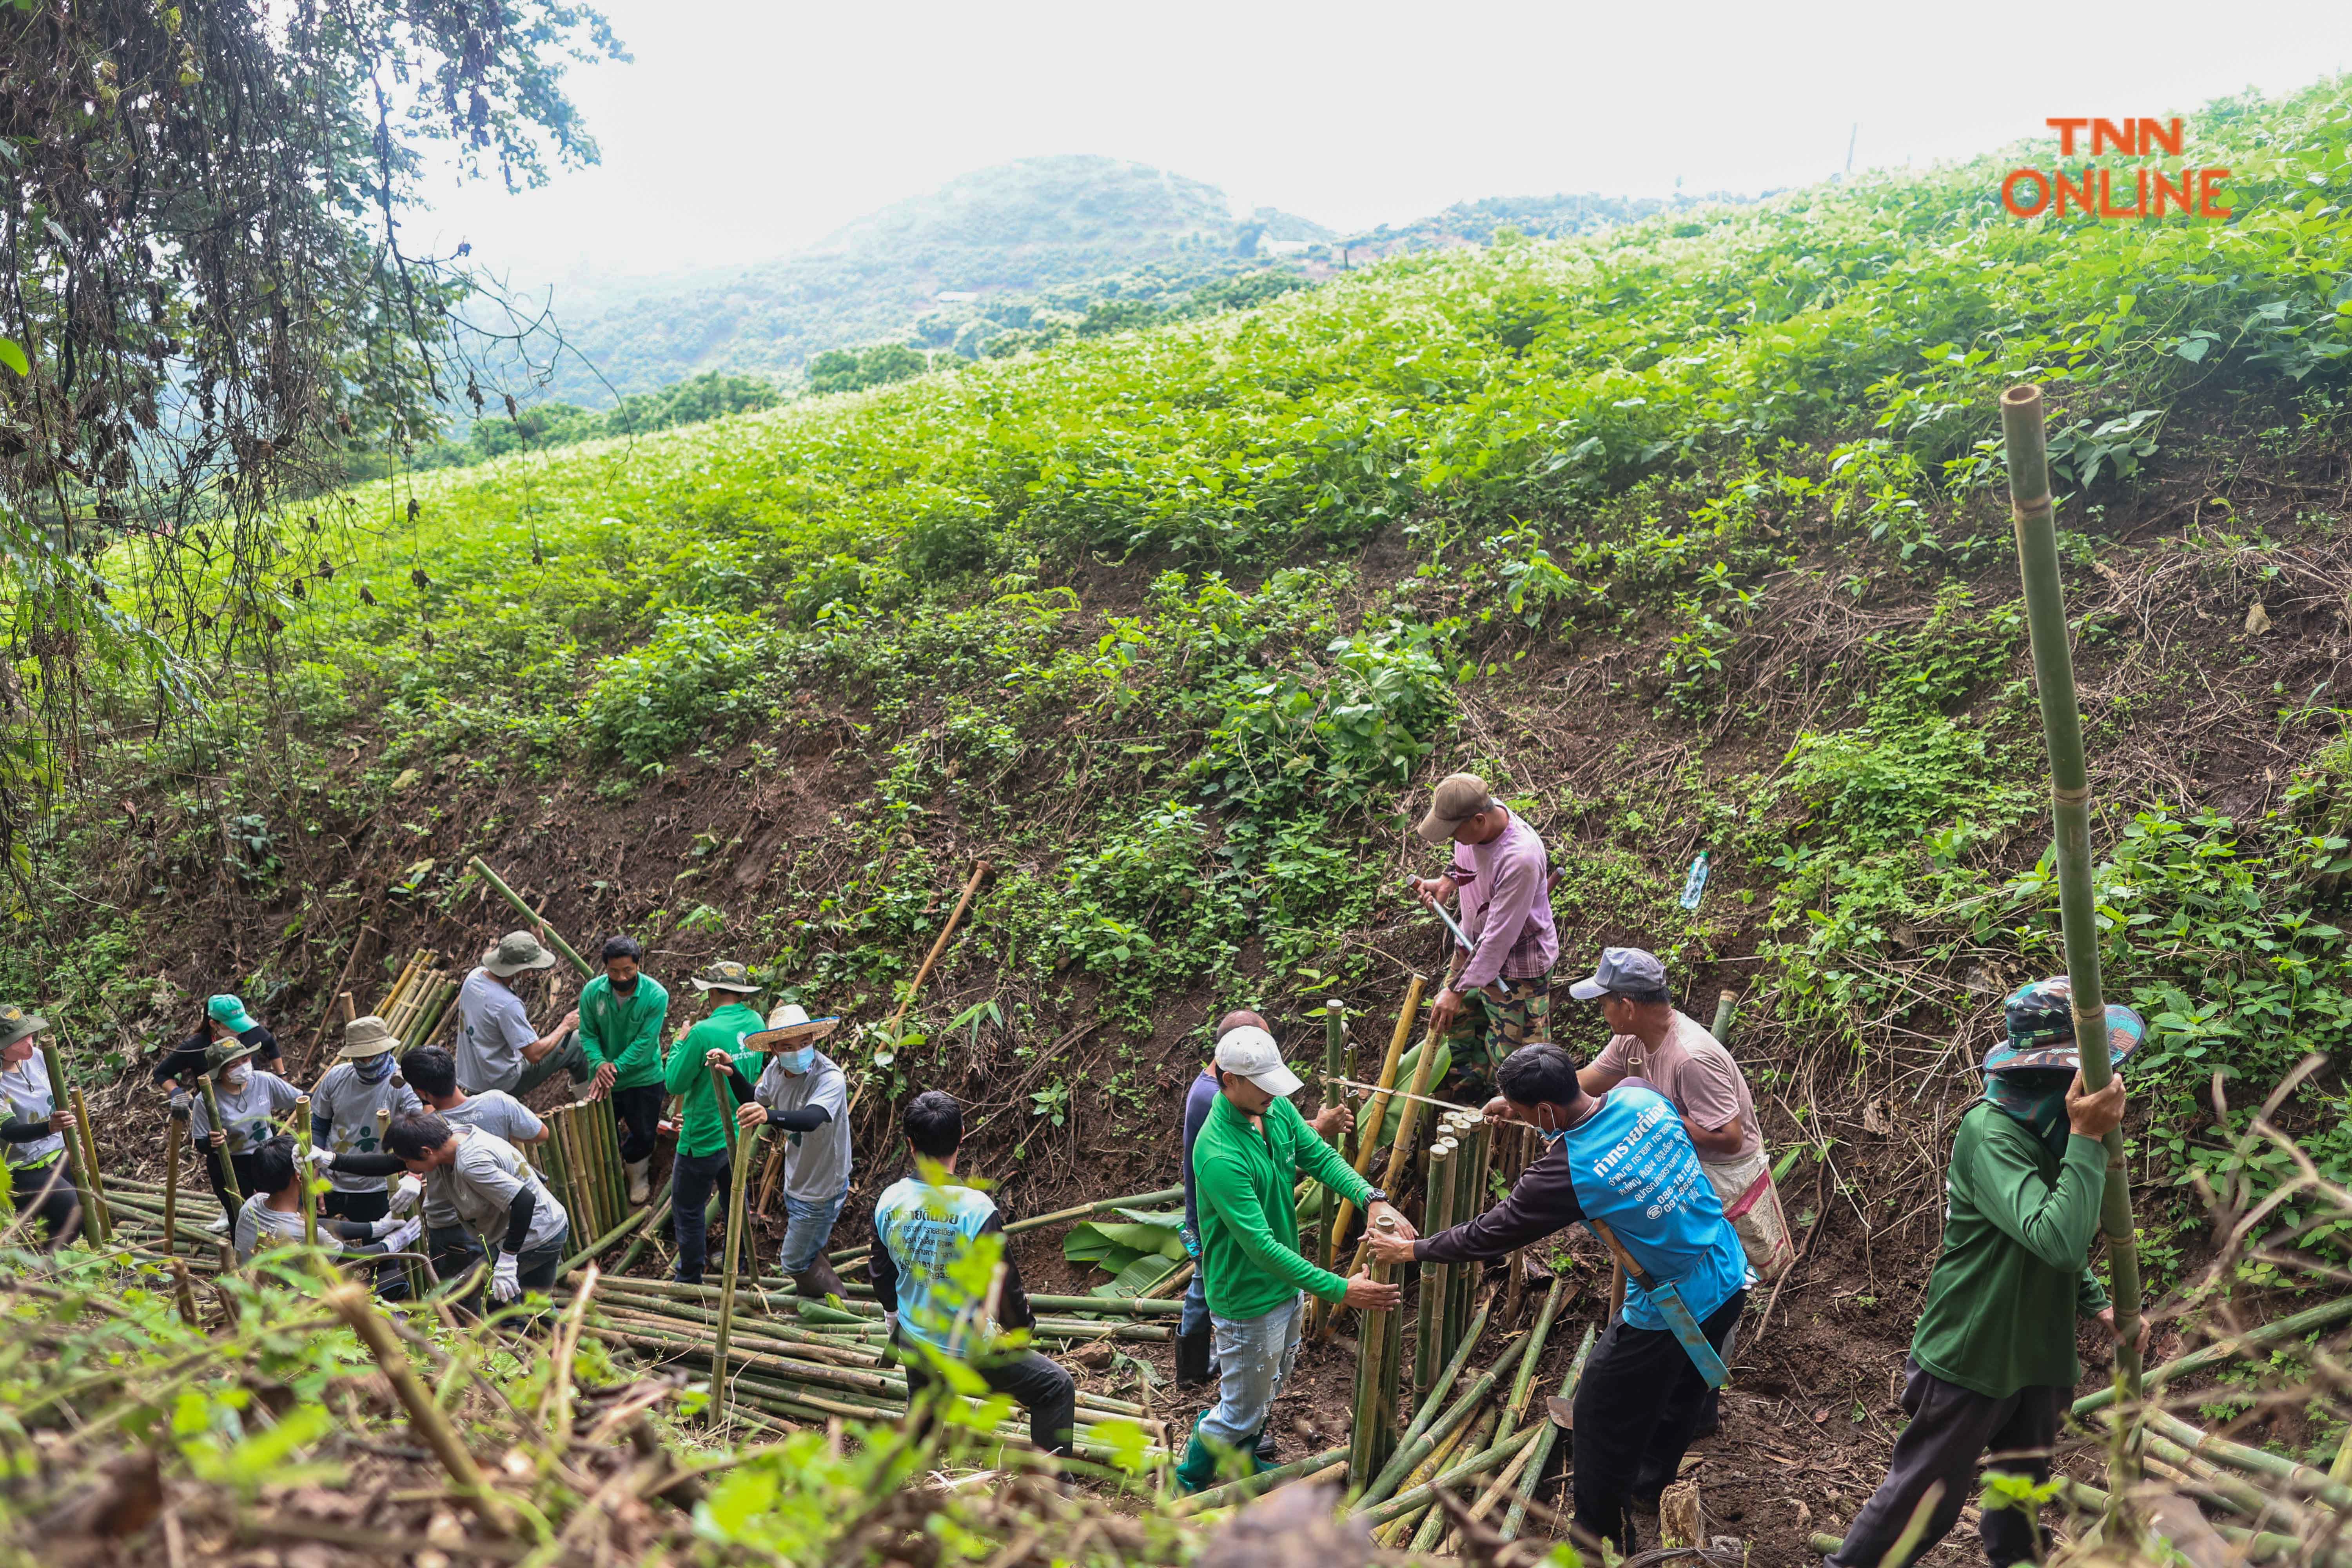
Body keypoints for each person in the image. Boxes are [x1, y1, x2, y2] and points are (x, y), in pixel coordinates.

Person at [1368, 1042, 1749, 1552]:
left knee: (1597, 1413)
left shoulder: (1569, 1171)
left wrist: (1412, 1249)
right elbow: (1590, 1109)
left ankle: (1600, 1540)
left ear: (1545, 1111)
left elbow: (1489, 1233)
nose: (1529, 1122)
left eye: (1530, 1114)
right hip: (1728, 1268)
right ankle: (1650, 1483)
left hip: (1672, 1304)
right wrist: (1523, 1108)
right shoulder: (1640, 1095)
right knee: (1685, 1388)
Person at [1826, 980, 2147, 1568]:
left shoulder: (2056, 1125)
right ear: (2060, 1072)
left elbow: (2055, 1238)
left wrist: (2096, 1303)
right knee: (1922, 1505)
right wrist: (2086, 1136)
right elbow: (2056, 1239)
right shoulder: (1993, 1133)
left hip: (2039, 1354)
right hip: (1975, 1351)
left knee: (2019, 1501)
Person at [1179, 1024, 1408, 1494]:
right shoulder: (1218, 1152)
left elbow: (1320, 1157)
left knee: (1270, 1386)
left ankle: (1241, 1464)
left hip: (1285, 1285)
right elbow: (1260, 1247)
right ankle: (1188, 1480)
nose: (1272, 1092)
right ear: (1229, 1082)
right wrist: (1344, 1289)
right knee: (1240, 1406)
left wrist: (1372, 1197)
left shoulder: (1275, 1109)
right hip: (1245, 1296)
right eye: (1261, 1083)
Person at [1573, 946, 1794, 1289]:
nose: (1602, 1011)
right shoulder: (1631, 1040)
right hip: (1688, 1157)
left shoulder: (1690, 1058)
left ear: (1627, 1007)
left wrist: (1656, 1113)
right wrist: (1526, 1096)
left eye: (1604, 1003)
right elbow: (1584, 1084)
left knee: (1721, 1275)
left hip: (1725, 1174)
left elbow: (1729, 1137)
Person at [873, 1090, 1076, 1458]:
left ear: (909, 1143)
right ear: (962, 1136)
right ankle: (1052, 1491)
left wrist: (893, 1314)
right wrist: (1020, 1332)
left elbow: (881, 1269)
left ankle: (913, 1469)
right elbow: (1002, 1287)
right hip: (966, 1348)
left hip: (915, 1335)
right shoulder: (974, 1208)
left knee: (925, 1390)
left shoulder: (890, 1199)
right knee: (1056, 1388)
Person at [1176, 1009, 1354, 1397]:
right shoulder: (1212, 1101)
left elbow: (1277, 1136)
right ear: (1233, 1077)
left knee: (1204, 1285)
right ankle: (1191, 1370)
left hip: (1234, 1216)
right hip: (1214, 1221)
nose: (1271, 1094)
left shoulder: (1252, 1100)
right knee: (1207, 1284)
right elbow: (1244, 1159)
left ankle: (1204, 1370)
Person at [1410, 772, 1559, 1077]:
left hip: (1518, 967)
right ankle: (1469, 1096)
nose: (1452, 839)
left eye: (1454, 832)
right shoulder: (1479, 825)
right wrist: (1447, 882)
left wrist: (1456, 989)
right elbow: (1470, 859)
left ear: (1479, 820)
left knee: (1519, 1060)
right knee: (1455, 1026)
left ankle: (1509, 1116)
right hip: (1471, 948)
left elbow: (1497, 941)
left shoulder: (1520, 859)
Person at [385, 1110, 571, 1308]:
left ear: (426, 1152)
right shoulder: (454, 1136)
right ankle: (560, 1338)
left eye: (407, 1162)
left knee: (459, 1296)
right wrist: (346, 1163)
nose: (407, 1167)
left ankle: (497, 1334)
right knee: (536, 1305)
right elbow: (390, 1164)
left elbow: (524, 1200)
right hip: (551, 1224)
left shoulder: (471, 1165)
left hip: (535, 1236)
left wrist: (507, 1261)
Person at [396, 1044, 544, 1286]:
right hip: (502, 1219)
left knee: (461, 1303)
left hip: (452, 1224)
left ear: (421, 1092)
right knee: (506, 1294)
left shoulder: (428, 1128)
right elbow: (541, 1134)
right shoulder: (498, 1102)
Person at [737, 1002, 850, 1304]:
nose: (799, 1050)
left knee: (795, 1262)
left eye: (805, 1043)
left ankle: (841, 1301)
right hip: (798, 1179)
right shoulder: (775, 1071)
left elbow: (813, 1119)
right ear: (774, 1049)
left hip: (822, 1185)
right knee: (813, 1251)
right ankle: (816, 1310)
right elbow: (754, 1098)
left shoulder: (830, 1078)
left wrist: (769, 1116)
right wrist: (731, 1072)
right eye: (788, 1046)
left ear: (814, 1040)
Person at [662, 960, 765, 1284]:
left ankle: (690, 1276)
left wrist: (680, 1042)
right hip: (740, 1131)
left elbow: (674, 1083)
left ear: (714, 992)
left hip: (702, 1137)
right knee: (735, 1198)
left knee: (689, 1209)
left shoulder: (702, 1032)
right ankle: (739, 1261)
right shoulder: (756, 1021)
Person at [577, 934, 669, 1205]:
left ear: (639, 965)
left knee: (644, 1131)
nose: (621, 977)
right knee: (602, 1131)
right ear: (605, 968)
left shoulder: (656, 995)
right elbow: (588, 1034)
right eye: (614, 971)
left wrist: (613, 1067)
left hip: (644, 1078)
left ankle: (638, 1176)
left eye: (628, 970)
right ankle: (612, 1173)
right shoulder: (592, 993)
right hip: (602, 1078)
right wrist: (600, 1064)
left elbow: (645, 1042)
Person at [233, 1134, 420, 1265]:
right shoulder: (306, 1236)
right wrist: (392, 1243)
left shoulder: (253, 1204)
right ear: (299, 1176)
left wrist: (377, 1227)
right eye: (312, 1166)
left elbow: (312, 1225)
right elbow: (352, 1259)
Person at [310, 1015, 424, 1225]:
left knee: (383, 1250)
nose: (367, 1063)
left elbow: (422, 1131)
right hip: (330, 1179)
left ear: (387, 1051)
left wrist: (415, 1175)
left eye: (373, 1056)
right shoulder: (336, 1078)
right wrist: (313, 1172)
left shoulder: (403, 1086)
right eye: (360, 1058)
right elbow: (319, 1125)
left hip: (378, 1185)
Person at [188, 1036, 302, 1230]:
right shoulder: (205, 1099)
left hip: (266, 1156)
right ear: (221, 1073)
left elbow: (300, 1099)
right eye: (234, 1065)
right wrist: (212, 1141)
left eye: (246, 1060)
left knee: (278, 1208)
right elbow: (201, 1143)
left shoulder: (264, 1081)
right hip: (230, 1163)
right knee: (241, 1215)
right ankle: (244, 1255)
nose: (243, 1067)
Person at [454, 931, 586, 1097]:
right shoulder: (508, 1005)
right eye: (528, 969)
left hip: (474, 1080)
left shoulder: (474, 977)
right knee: (578, 1043)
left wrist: (534, 945)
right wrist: (565, 1026)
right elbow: (535, 1055)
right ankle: (590, 1102)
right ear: (517, 970)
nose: (530, 974)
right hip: (502, 1083)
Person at [0, 1004, 81, 1248]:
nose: (29, 1042)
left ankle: (50, 1271)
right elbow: (9, 1130)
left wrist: (71, 1141)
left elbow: (58, 1101)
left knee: (77, 1221)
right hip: (25, 1168)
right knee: (73, 1212)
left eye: (29, 1034)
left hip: (59, 1152)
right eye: (20, 1040)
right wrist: (49, 1127)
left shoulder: (38, 1056)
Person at [152, 993, 283, 1098]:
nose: (239, 1031)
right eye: (233, 1027)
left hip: (256, 1102)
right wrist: (177, 1094)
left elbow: (270, 1045)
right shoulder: (195, 1047)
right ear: (214, 1024)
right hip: (217, 1115)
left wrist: (282, 1075)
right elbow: (161, 1073)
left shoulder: (250, 1030)